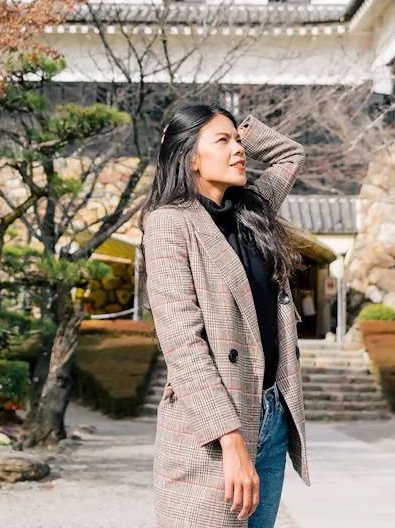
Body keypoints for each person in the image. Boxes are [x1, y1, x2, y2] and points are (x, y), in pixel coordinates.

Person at [141, 104, 307, 528]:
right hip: (212, 429)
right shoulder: (168, 224)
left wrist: (237, 127)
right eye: (223, 141)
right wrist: (230, 440)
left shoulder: (254, 209)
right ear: (188, 156)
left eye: (239, 142)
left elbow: (291, 154)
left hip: (270, 415)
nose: (239, 151)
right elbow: (183, 343)